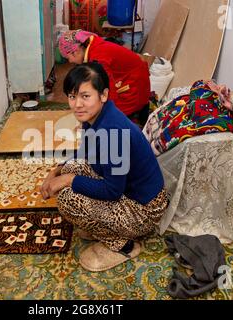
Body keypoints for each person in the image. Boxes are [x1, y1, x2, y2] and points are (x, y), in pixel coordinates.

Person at [40, 62, 169, 272]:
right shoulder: (95, 117)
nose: (77, 104)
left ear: (104, 95)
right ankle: (104, 225)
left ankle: (124, 245)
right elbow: (85, 153)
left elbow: (112, 191)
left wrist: (67, 180)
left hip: (143, 210)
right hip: (129, 193)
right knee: (71, 168)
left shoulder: (113, 132)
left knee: (68, 200)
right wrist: (58, 170)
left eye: (85, 96)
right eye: (72, 97)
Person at [58, 29, 151, 126]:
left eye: (68, 57)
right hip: (129, 77)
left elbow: (109, 92)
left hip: (135, 84)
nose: (70, 61)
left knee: (113, 117)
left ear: (75, 51)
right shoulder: (94, 45)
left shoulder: (99, 58)